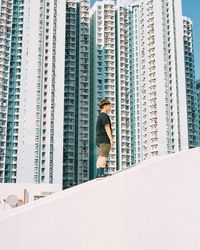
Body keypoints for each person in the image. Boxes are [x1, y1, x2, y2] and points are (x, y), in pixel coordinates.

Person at [96, 99, 114, 177]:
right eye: (109, 106)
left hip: (99, 140)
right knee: (104, 156)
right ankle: (101, 174)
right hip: (104, 139)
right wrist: (111, 139)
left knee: (100, 156)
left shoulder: (100, 116)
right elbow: (107, 128)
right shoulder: (104, 116)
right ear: (105, 106)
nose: (110, 108)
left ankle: (98, 173)